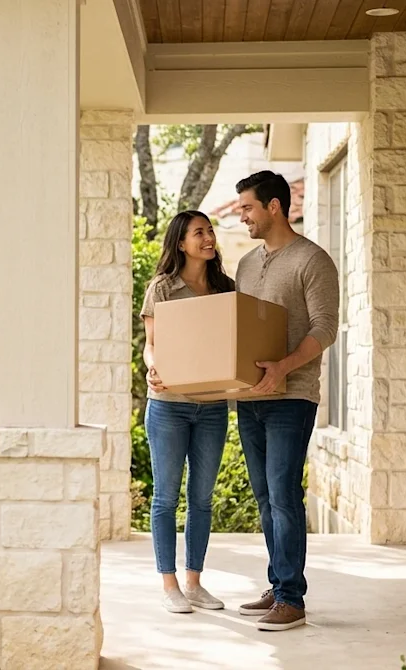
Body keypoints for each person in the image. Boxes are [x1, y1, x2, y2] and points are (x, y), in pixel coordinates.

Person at [232, 170, 339, 632]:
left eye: (248, 208)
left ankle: (292, 597)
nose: (243, 217)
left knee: (283, 495)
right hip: (248, 397)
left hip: (292, 396)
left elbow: (325, 327)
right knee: (264, 495)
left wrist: (284, 366)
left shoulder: (313, 261)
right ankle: (278, 586)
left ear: (274, 206)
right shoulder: (245, 265)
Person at [139, 210, 235, 614]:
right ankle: (170, 585)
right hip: (169, 408)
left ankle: (194, 583)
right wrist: (152, 368)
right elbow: (151, 344)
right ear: (181, 243)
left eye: (210, 231)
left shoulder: (226, 289)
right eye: (200, 233)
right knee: (165, 498)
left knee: (201, 499)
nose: (208, 238)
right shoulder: (161, 289)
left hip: (212, 406)